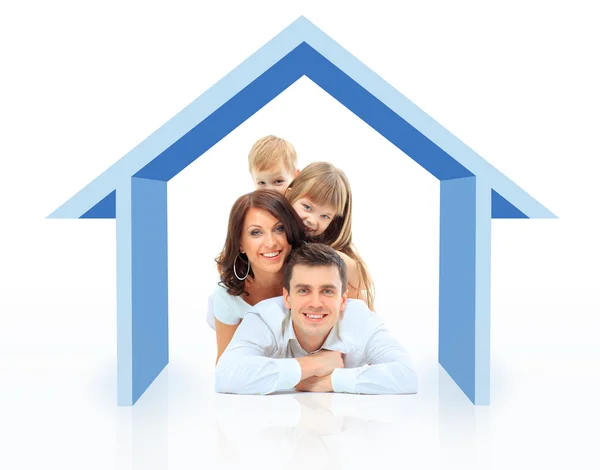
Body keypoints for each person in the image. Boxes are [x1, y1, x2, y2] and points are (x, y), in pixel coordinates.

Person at [215, 243, 417, 395]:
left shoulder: (360, 319)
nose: (316, 302)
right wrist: (312, 365)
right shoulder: (265, 317)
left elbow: (407, 375)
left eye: (327, 291)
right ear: (287, 297)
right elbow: (225, 374)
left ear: (343, 299)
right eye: (303, 290)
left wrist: (331, 381)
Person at [208, 189, 306, 362]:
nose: (270, 242)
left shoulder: (313, 276)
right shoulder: (227, 293)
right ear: (240, 244)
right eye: (256, 232)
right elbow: (226, 368)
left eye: (279, 228)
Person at [286, 162, 375, 310]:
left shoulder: (325, 245)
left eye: (325, 216)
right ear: (289, 194)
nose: (313, 220)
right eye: (307, 207)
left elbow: (365, 281)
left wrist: (328, 255)